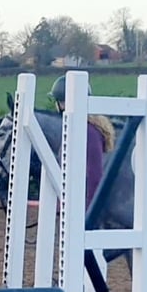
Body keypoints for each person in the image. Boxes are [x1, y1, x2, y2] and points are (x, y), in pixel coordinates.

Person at [48, 75, 115, 209]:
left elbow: (94, 175)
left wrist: (89, 212)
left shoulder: (89, 132)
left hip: (84, 207)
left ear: (62, 103)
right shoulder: (74, 128)